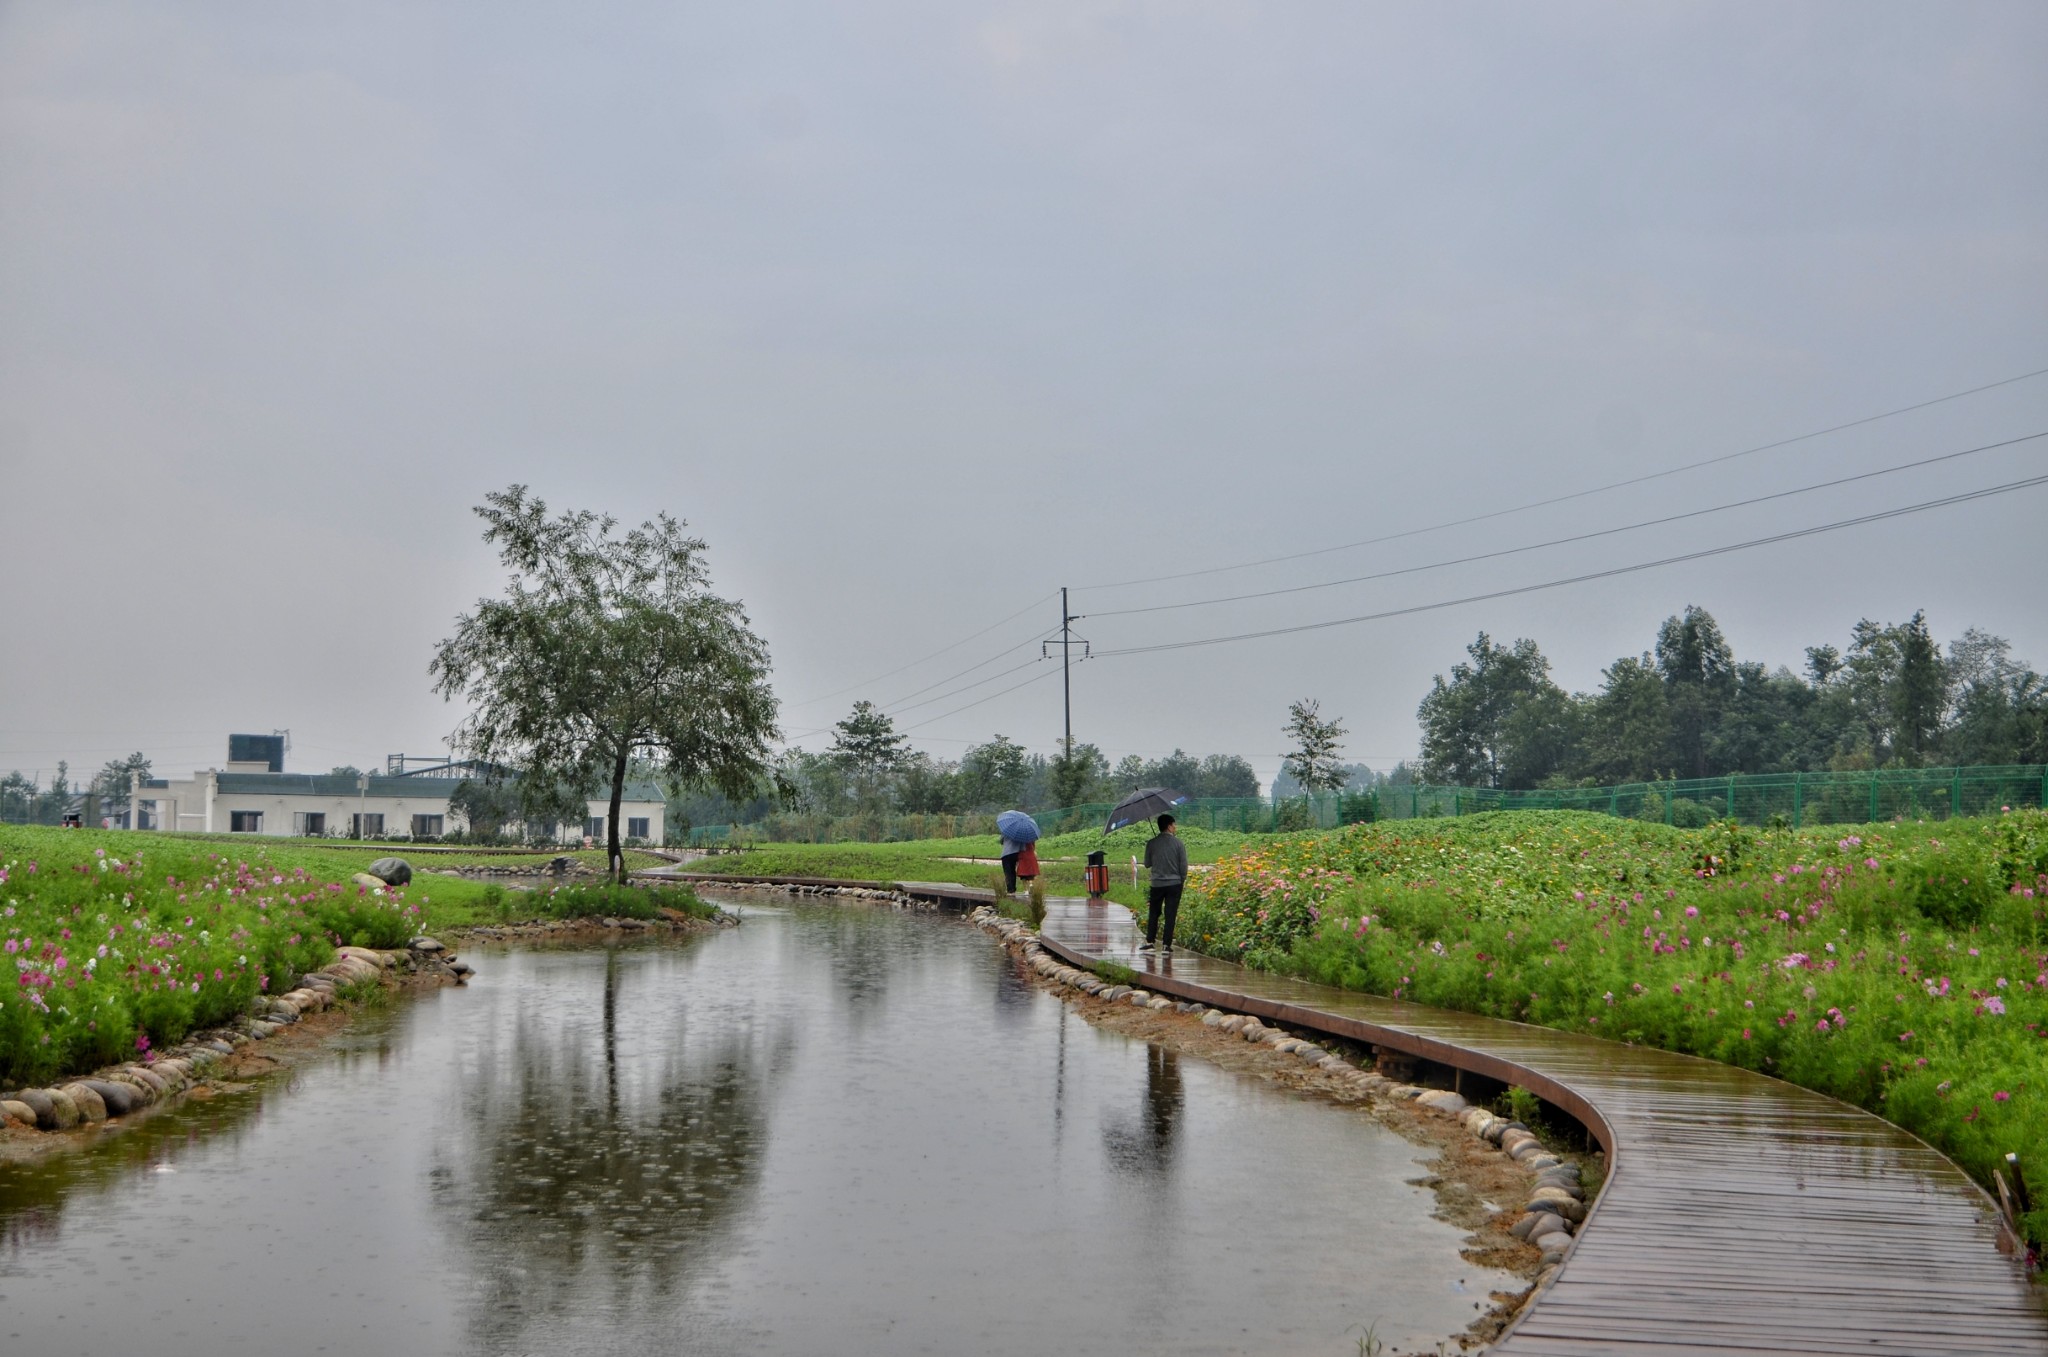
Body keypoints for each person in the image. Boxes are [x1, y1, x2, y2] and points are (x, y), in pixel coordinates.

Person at [1139, 812, 1188, 951]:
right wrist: (1181, 880)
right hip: (1174, 884)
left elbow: (1147, 864)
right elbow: (1183, 866)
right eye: (1174, 825)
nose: (1175, 827)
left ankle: (1150, 942)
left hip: (1157, 884)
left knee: (1154, 912)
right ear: (1169, 826)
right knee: (1170, 913)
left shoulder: (1151, 843)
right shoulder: (1179, 843)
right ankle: (1167, 945)